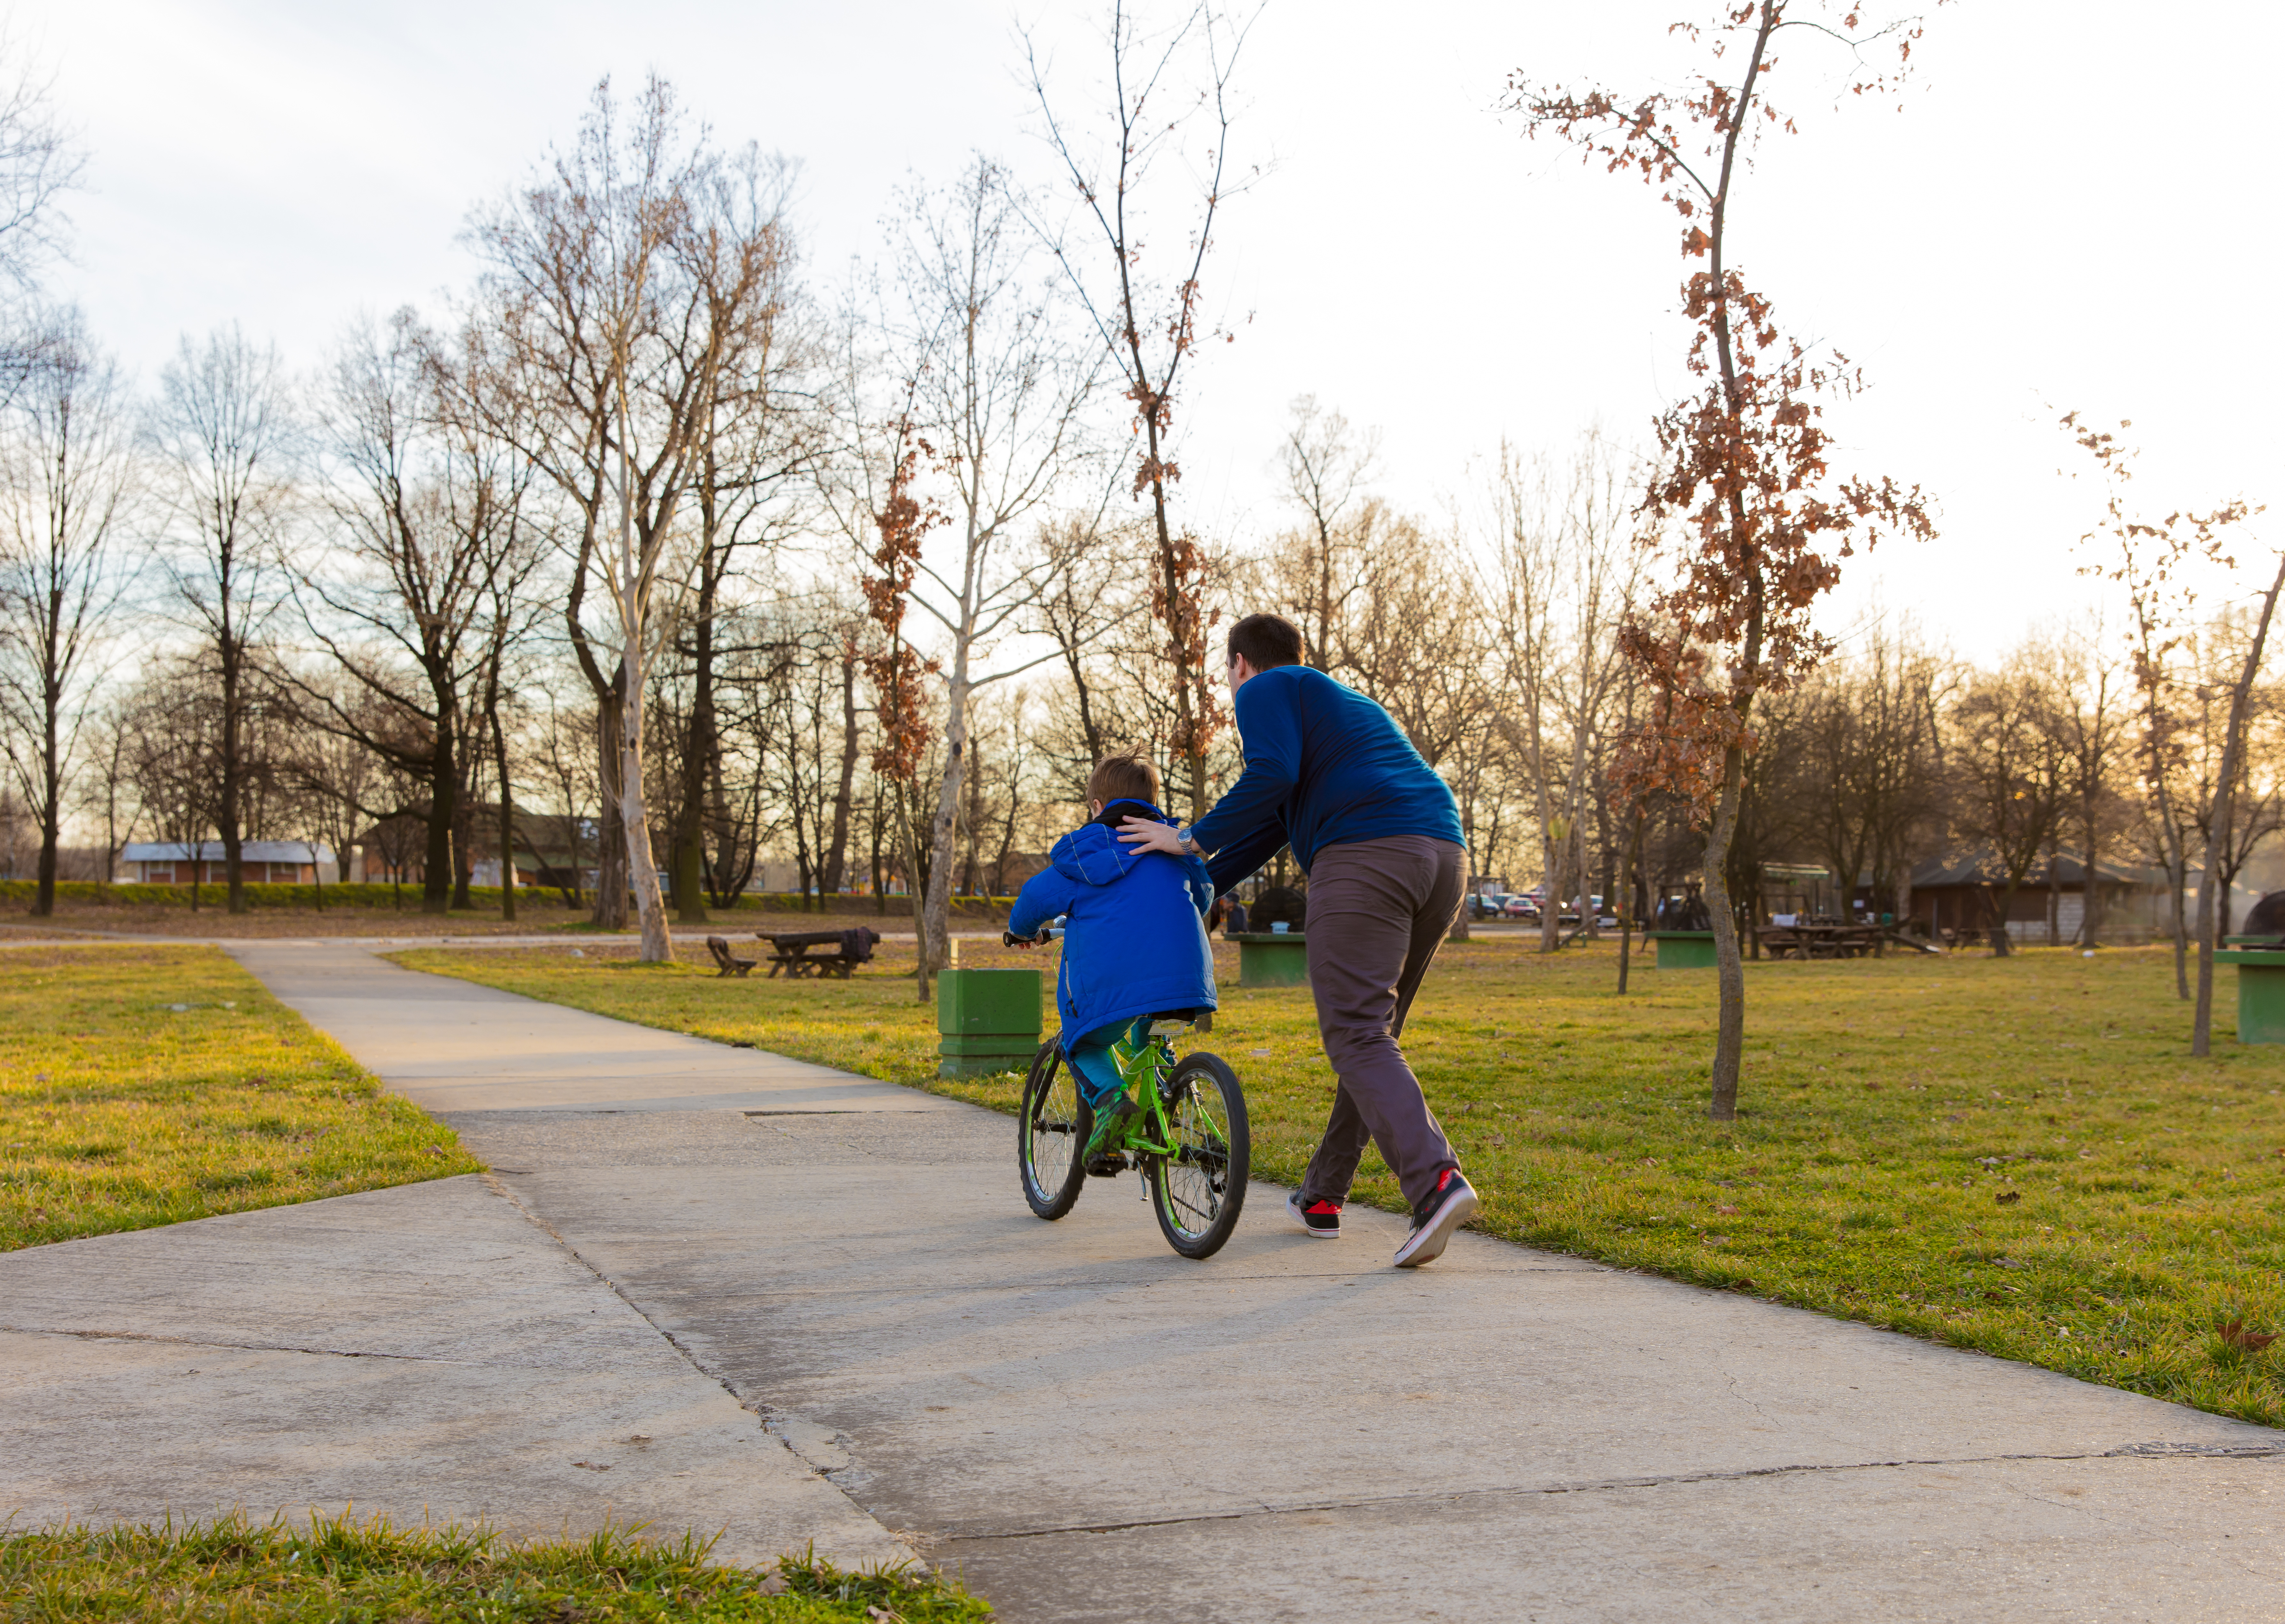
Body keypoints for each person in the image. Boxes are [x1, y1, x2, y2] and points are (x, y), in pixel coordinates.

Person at [1119, 613, 1480, 1267]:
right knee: (1374, 1035)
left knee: (1356, 1035)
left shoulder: (1264, 690)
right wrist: (1194, 884)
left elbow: (1270, 779)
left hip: (1367, 853)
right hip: (1443, 854)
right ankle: (1323, 1194)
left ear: (1238, 665)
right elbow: (1268, 825)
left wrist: (1186, 836)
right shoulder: (1340, 707)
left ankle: (1436, 1182)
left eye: (1230, 676)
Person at [1008, 752, 1217, 1176]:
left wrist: (1020, 931)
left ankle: (1110, 1102)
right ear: (1152, 802)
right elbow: (1206, 894)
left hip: (1113, 983)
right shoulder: (1175, 844)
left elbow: (1033, 899)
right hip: (1187, 980)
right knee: (1154, 1022)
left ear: (1097, 807)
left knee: (1083, 1042)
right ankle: (1169, 1099)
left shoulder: (1085, 852)